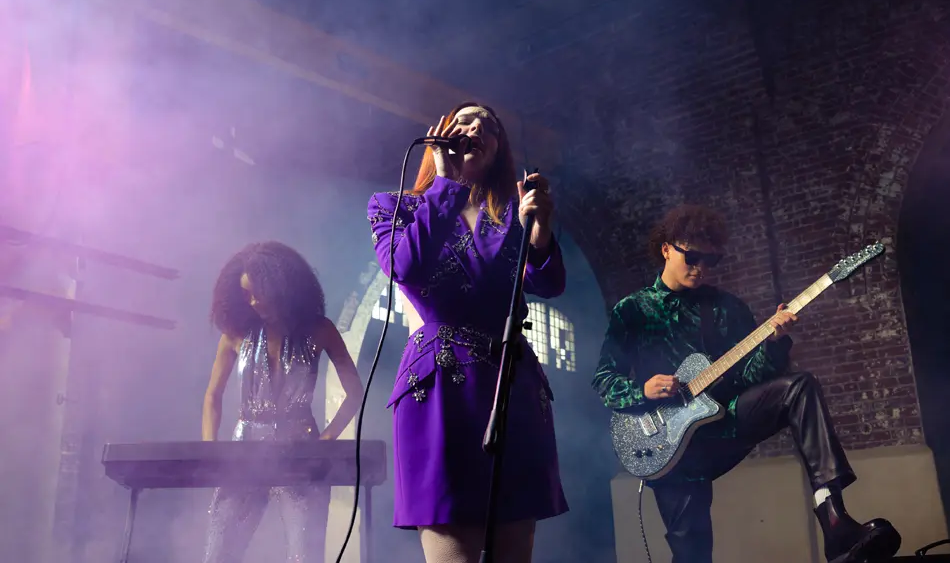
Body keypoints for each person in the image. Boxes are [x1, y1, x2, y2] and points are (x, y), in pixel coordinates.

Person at [592, 205, 901, 563]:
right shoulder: (633, 310)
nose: (701, 268)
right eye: (692, 256)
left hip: (724, 422)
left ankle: (834, 521)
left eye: (712, 260)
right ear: (666, 248)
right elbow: (604, 379)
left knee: (799, 387)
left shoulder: (727, 308)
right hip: (667, 448)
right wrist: (642, 390)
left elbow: (749, 376)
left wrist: (774, 343)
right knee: (691, 552)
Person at [366, 102, 569, 562]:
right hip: (439, 391)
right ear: (440, 140)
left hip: (510, 383)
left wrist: (539, 234)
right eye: (465, 120)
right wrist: (447, 185)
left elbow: (549, 284)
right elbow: (406, 265)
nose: (478, 127)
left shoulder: (512, 214)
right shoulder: (393, 206)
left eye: (491, 127)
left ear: (499, 151)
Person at [201, 241, 364, 563]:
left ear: (282, 287)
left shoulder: (320, 330)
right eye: (245, 293)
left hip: (301, 448)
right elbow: (212, 396)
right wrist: (210, 450)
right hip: (243, 449)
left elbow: (355, 391)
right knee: (220, 553)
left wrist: (328, 437)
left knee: (305, 555)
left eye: (257, 291)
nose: (252, 301)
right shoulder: (236, 332)